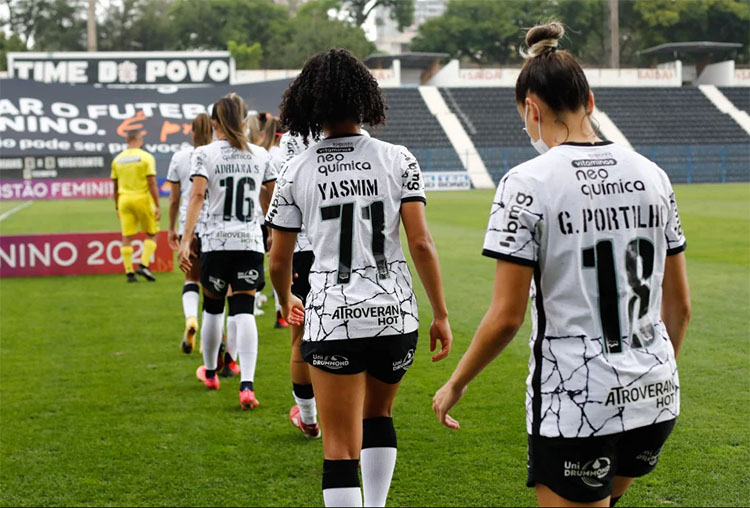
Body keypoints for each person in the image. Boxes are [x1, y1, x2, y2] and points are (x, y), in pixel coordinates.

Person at [432, 22, 691, 508]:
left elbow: (506, 317)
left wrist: (455, 382)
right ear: (589, 100)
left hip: (578, 403)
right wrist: (650, 375)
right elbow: (680, 308)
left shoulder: (525, 182)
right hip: (655, 394)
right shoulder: (654, 176)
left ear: (531, 109)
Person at [267, 48, 453, 508]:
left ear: (308, 105)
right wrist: (442, 314)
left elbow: (278, 259)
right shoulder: (397, 158)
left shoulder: (296, 168)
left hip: (332, 316)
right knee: (379, 416)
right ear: (364, 98)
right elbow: (422, 243)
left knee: (338, 450)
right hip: (395, 313)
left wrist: (286, 294)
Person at [178, 98, 277, 410]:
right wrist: (271, 227)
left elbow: (196, 195)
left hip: (217, 241)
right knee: (244, 311)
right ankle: (247, 385)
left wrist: (186, 238)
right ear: (243, 121)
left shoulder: (204, 154)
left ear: (215, 123)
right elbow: (272, 192)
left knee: (213, 308)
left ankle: (210, 373)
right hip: (249, 240)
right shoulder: (259, 154)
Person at [166, 113, 213, 354]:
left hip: (189, 225)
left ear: (192, 132)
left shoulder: (180, 157)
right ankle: (213, 338)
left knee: (191, 279)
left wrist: (172, 228)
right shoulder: (216, 155)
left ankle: (190, 319)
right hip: (214, 227)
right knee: (214, 290)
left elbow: (174, 199)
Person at [111, 129, 160, 283]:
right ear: (140, 140)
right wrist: (157, 205)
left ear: (127, 141)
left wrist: (117, 207)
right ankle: (143, 265)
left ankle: (129, 273)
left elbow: (115, 186)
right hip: (142, 198)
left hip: (124, 200)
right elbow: (152, 182)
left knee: (127, 236)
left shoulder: (117, 159)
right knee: (153, 233)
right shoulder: (146, 157)